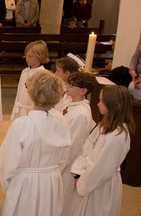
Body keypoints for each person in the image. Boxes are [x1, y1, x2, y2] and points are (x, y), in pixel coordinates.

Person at [0, 70, 71, 216]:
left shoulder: (21, 124)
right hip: (50, 180)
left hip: (25, 183)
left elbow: (7, 161)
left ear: (32, 93)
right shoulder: (62, 121)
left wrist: (7, 184)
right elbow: (64, 157)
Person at [71, 85, 134, 216]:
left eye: (102, 101)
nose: (98, 104)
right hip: (92, 177)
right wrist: (80, 172)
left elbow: (103, 168)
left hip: (101, 183)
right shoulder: (106, 125)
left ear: (116, 106)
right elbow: (89, 146)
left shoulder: (117, 136)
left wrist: (84, 183)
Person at [59, 72, 98, 216]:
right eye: (68, 83)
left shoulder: (81, 113)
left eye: (72, 85)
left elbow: (73, 145)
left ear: (83, 91)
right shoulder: (70, 103)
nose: (67, 86)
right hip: (62, 157)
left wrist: (58, 166)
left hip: (68, 164)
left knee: (65, 200)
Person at [11, 40, 49, 120]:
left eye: (30, 56)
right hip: (21, 110)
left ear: (40, 56)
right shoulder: (25, 71)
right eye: (26, 56)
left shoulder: (44, 74)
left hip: (33, 111)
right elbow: (18, 94)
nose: (27, 59)